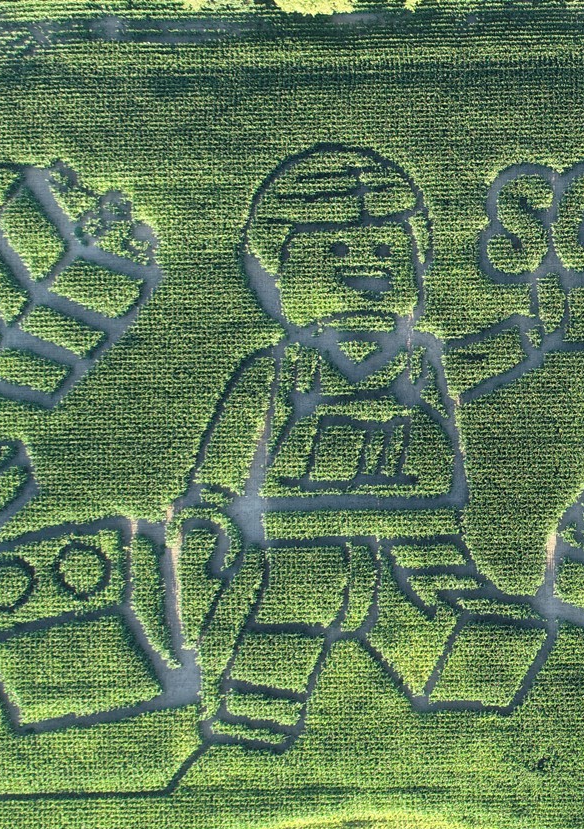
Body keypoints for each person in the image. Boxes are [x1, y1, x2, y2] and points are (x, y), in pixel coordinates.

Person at [178, 144, 559, 752]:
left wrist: (537, 330)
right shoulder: (280, 370)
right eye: (335, 252)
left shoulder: (425, 360)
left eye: (387, 250)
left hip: (422, 533)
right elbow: (227, 453)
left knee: (470, 624)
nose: (366, 267)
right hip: (308, 538)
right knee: (286, 627)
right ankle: (251, 726)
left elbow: (483, 358)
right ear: (279, 270)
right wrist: (209, 512)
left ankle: (476, 733)